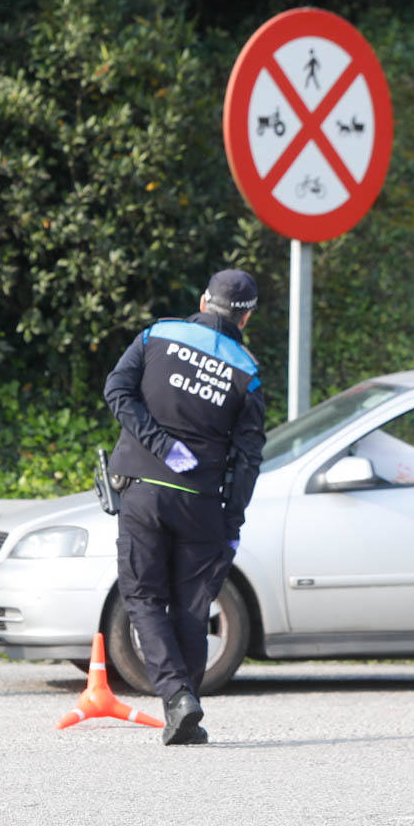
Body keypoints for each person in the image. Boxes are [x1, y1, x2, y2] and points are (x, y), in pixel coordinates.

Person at [104, 269, 267, 744]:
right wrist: (232, 521)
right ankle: (184, 711)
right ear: (247, 317)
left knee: (143, 597)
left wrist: (159, 444)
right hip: (202, 503)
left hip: (143, 490)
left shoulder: (156, 335)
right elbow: (248, 458)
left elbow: (117, 390)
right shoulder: (248, 372)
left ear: (202, 301)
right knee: (193, 607)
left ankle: (178, 700)